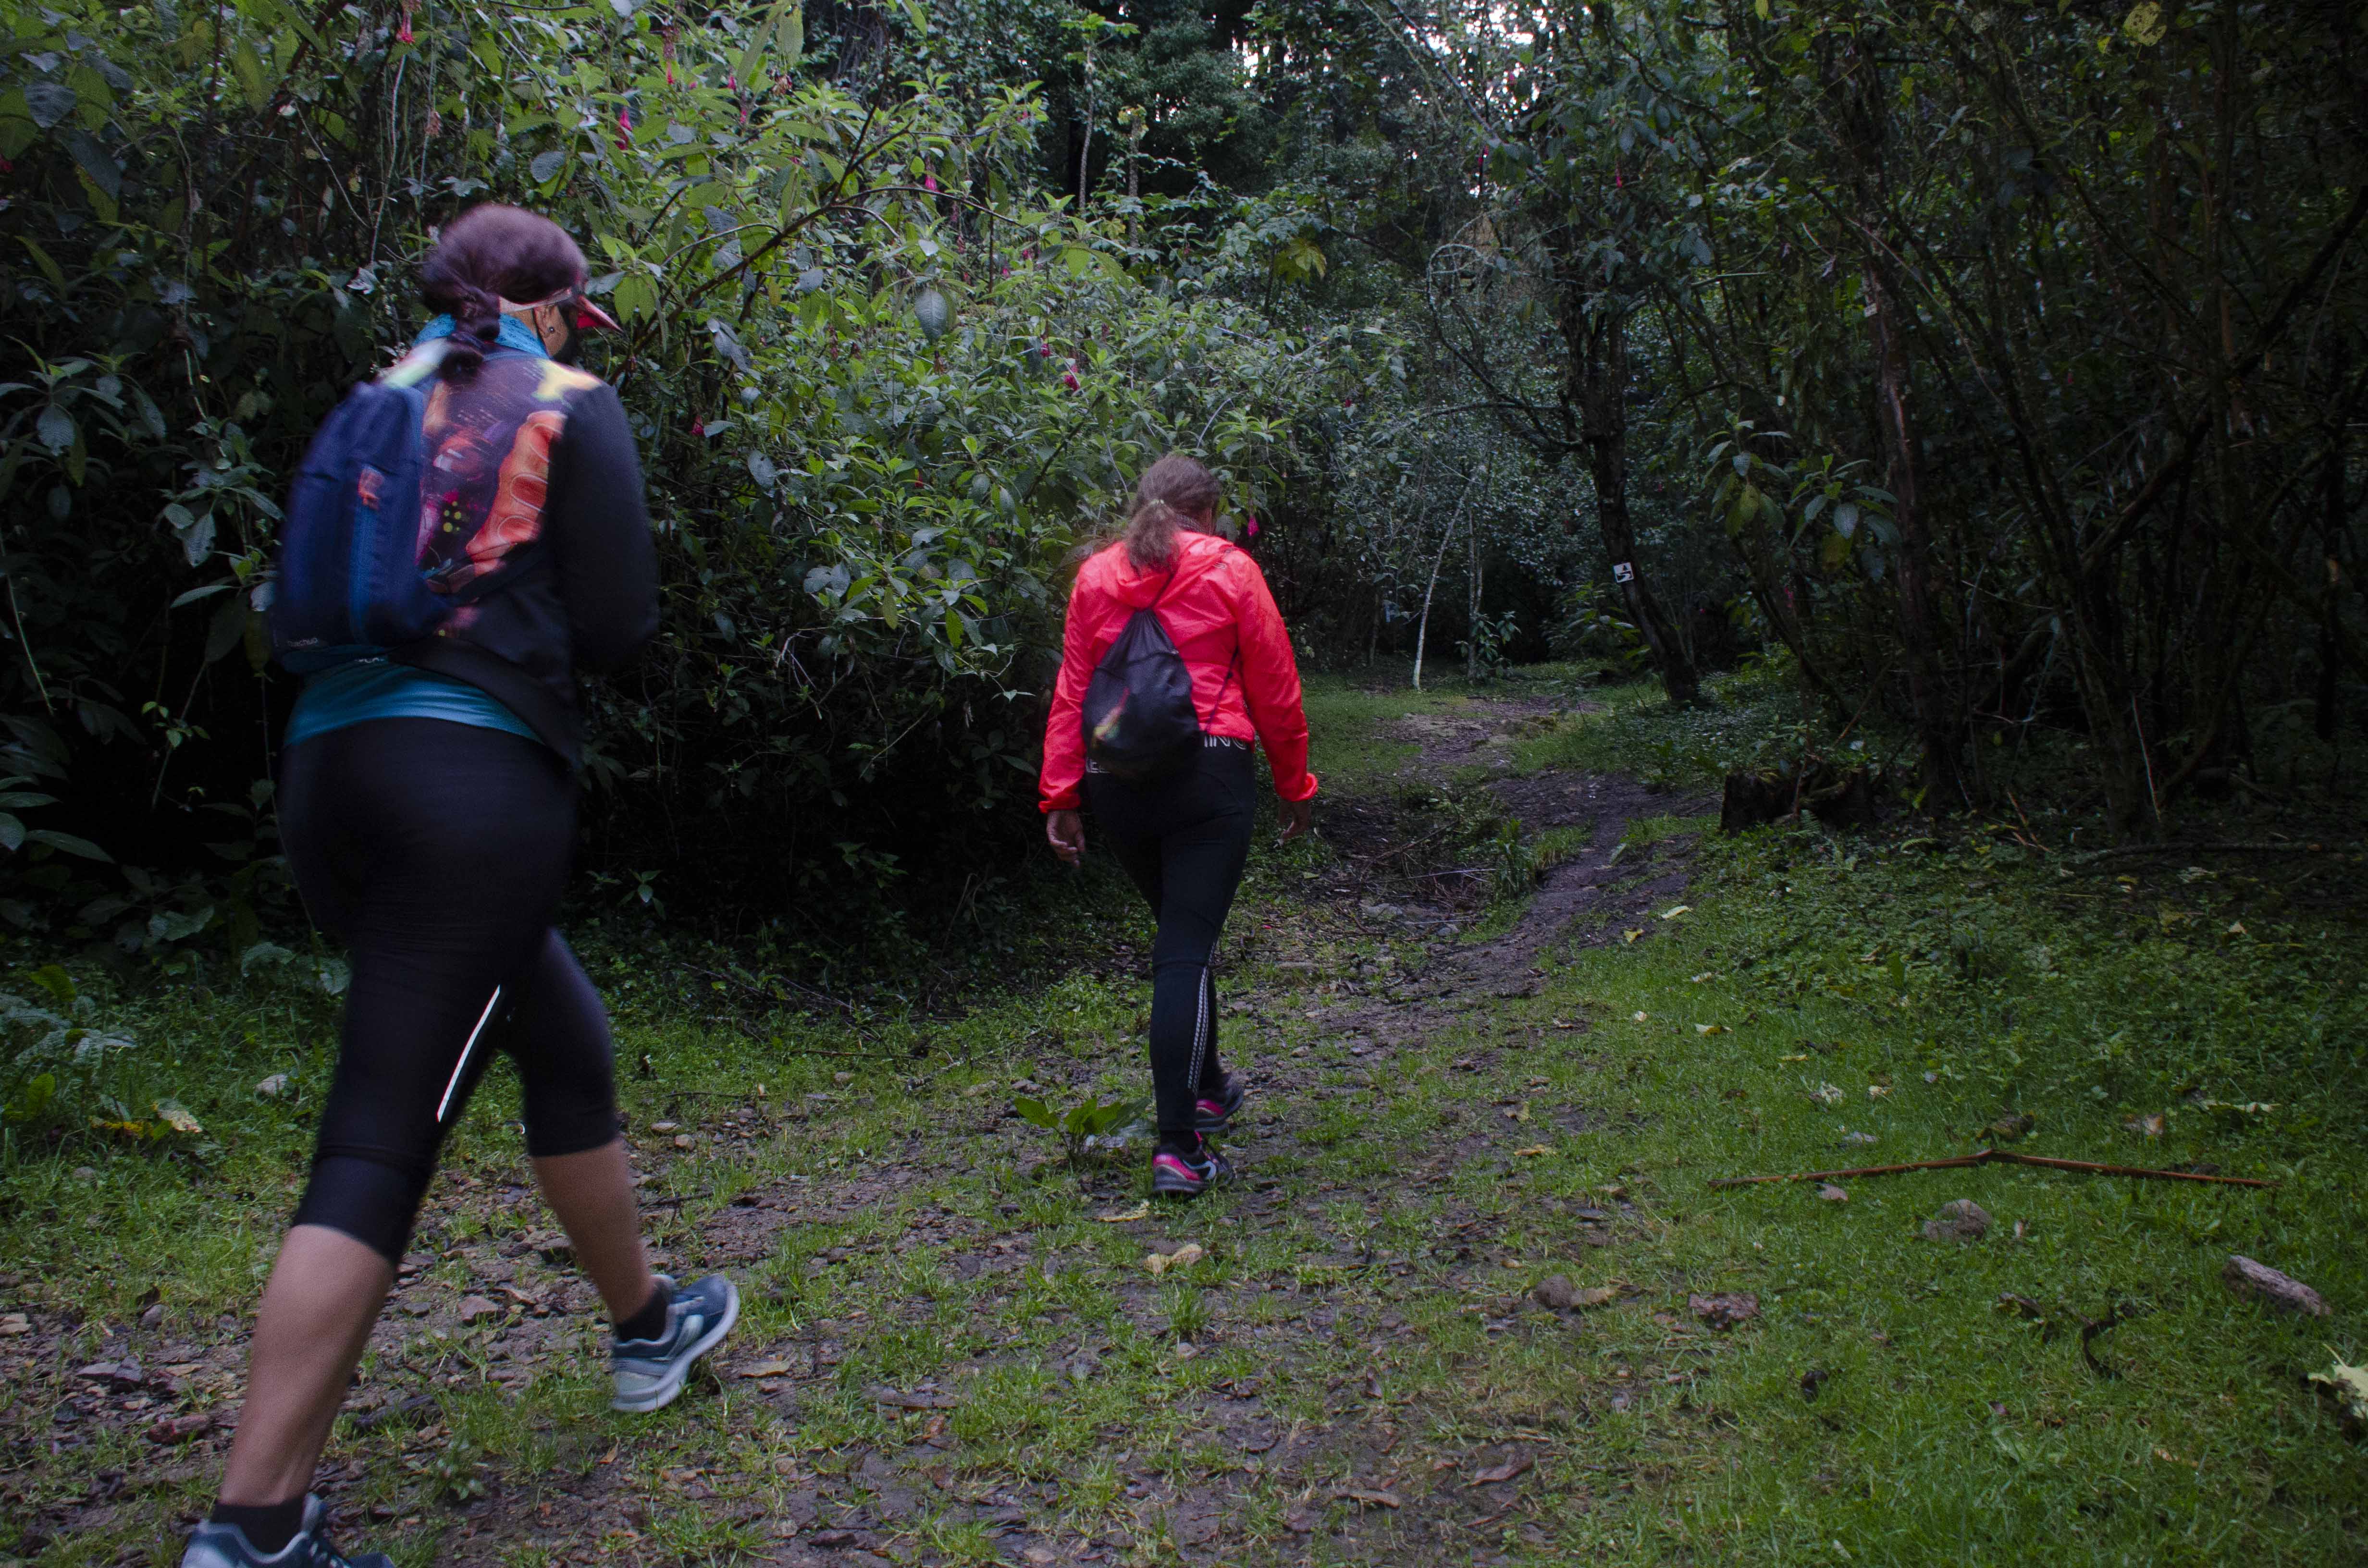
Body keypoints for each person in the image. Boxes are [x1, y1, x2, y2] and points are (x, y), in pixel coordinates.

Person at [183, 206, 736, 1568]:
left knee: (556, 1027)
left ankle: (648, 1324)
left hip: (329, 781)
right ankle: (253, 1525)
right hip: (468, 793)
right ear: (549, 308)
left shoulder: (377, 393)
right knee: (379, 1137)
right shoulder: (565, 402)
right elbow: (616, 626)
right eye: (578, 313)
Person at [1040, 454, 1317, 1198]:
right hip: (1209, 774)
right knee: (1185, 951)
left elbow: (1073, 692)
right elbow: (1275, 686)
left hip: (1118, 785)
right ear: (1209, 511)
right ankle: (1178, 1148)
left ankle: (1208, 1088)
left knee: (1179, 941)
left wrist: (1061, 794)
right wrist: (1296, 785)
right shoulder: (1230, 569)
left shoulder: (1096, 576)